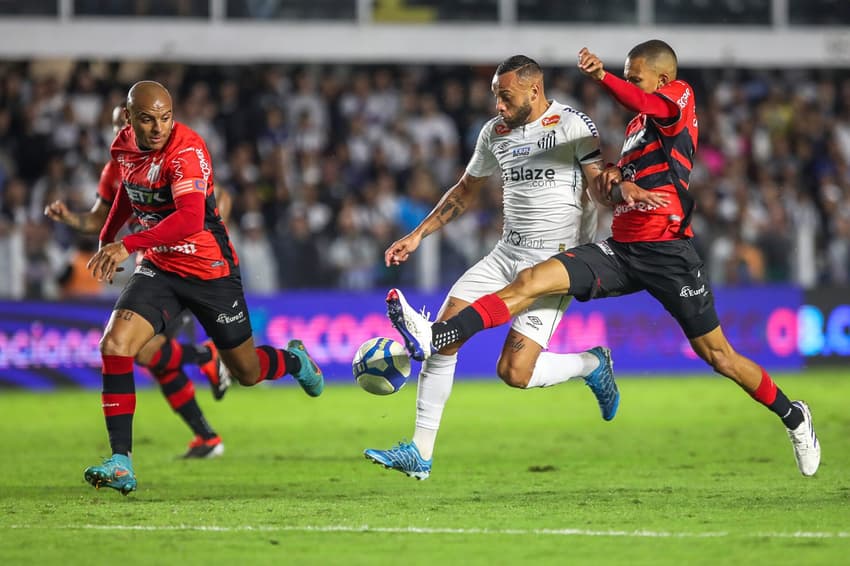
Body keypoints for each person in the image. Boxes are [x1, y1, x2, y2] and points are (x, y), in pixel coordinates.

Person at [385, 40, 821, 478]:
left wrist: (602, 79)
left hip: (668, 253)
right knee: (531, 281)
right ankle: (439, 338)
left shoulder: (678, 100)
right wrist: (618, 179)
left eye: (634, 76)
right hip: (621, 249)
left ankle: (793, 415)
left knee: (720, 357)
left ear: (663, 80)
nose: (628, 84)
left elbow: (638, 110)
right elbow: (606, 182)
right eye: (625, 76)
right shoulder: (635, 128)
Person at [364, 55, 618, 480]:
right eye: (495, 96)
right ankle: (420, 454)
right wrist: (417, 235)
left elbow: (597, 186)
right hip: (505, 254)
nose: (498, 105)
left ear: (534, 91)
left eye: (506, 96)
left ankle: (592, 364)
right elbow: (464, 192)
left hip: (555, 263)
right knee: (443, 339)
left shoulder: (573, 125)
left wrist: (613, 192)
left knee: (514, 373)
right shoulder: (494, 133)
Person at [81, 81, 324, 495]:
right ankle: (121, 460)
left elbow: (191, 219)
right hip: (159, 267)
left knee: (247, 371)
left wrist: (128, 242)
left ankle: (294, 360)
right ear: (128, 119)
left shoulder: (187, 151)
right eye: (147, 119)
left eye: (165, 118)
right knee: (116, 345)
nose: (158, 128)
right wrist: (108, 237)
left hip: (209, 270)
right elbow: (128, 189)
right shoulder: (123, 147)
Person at [46, 104, 233, 460]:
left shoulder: (173, 158)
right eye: (118, 127)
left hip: (181, 265)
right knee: (153, 359)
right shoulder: (114, 170)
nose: (123, 134)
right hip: (148, 267)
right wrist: (71, 219)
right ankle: (206, 432)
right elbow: (100, 219)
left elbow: (212, 199)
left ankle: (206, 361)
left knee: (144, 351)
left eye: (125, 126)